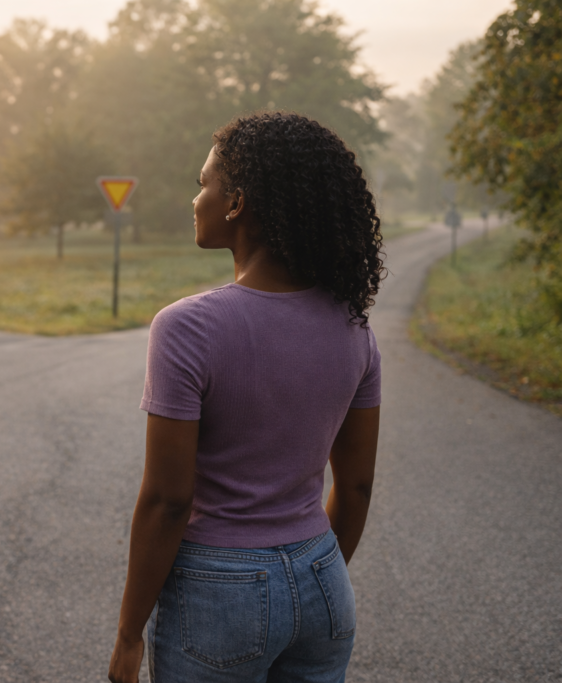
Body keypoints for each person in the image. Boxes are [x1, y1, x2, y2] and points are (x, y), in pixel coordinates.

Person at [108, 112, 384, 683]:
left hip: (219, 590)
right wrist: (308, 581)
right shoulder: (353, 327)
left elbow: (168, 500)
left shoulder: (188, 327)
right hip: (324, 579)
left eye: (204, 183)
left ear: (236, 203)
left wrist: (129, 634)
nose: (195, 198)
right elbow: (354, 488)